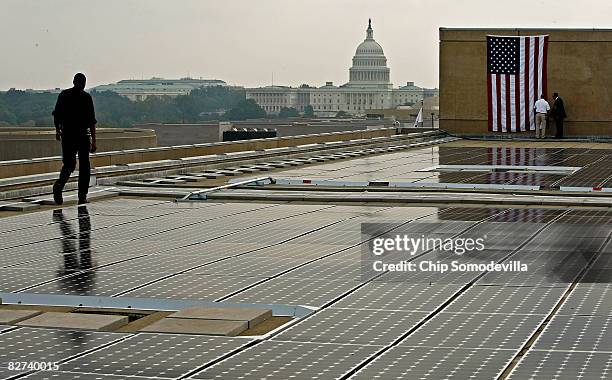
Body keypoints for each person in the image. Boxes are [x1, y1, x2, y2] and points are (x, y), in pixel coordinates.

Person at [52, 73, 97, 205]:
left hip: (70, 135)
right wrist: (94, 141)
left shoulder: (65, 95)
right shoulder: (85, 97)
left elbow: (56, 115)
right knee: (82, 166)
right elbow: (92, 121)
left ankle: (61, 186)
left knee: (72, 164)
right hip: (80, 135)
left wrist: (58, 130)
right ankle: (80, 195)